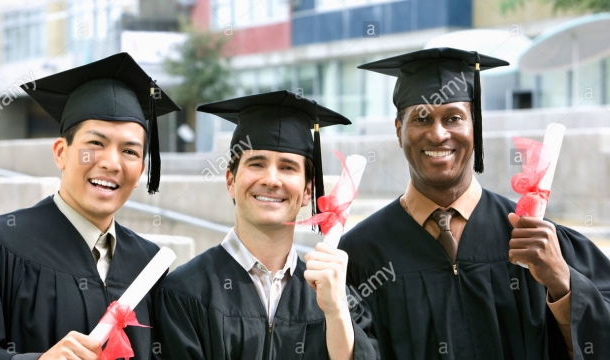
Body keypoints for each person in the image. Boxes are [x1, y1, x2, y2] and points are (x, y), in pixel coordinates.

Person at [339, 47, 610, 360]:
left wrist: (562, 283)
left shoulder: (535, 239)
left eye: (453, 118)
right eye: (421, 118)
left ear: (475, 125)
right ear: (399, 131)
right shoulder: (359, 255)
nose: (438, 134)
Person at [0, 52, 180, 360]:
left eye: (130, 151)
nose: (111, 163)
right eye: (95, 144)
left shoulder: (149, 265)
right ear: (60, 153)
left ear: (141, 172)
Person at [152, 90, 376, 359]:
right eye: (257, 163)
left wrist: (336, 310)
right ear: (230, 181)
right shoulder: (184, 292)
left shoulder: (336, 294)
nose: (271, 180)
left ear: (308, 191)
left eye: (288, 167)